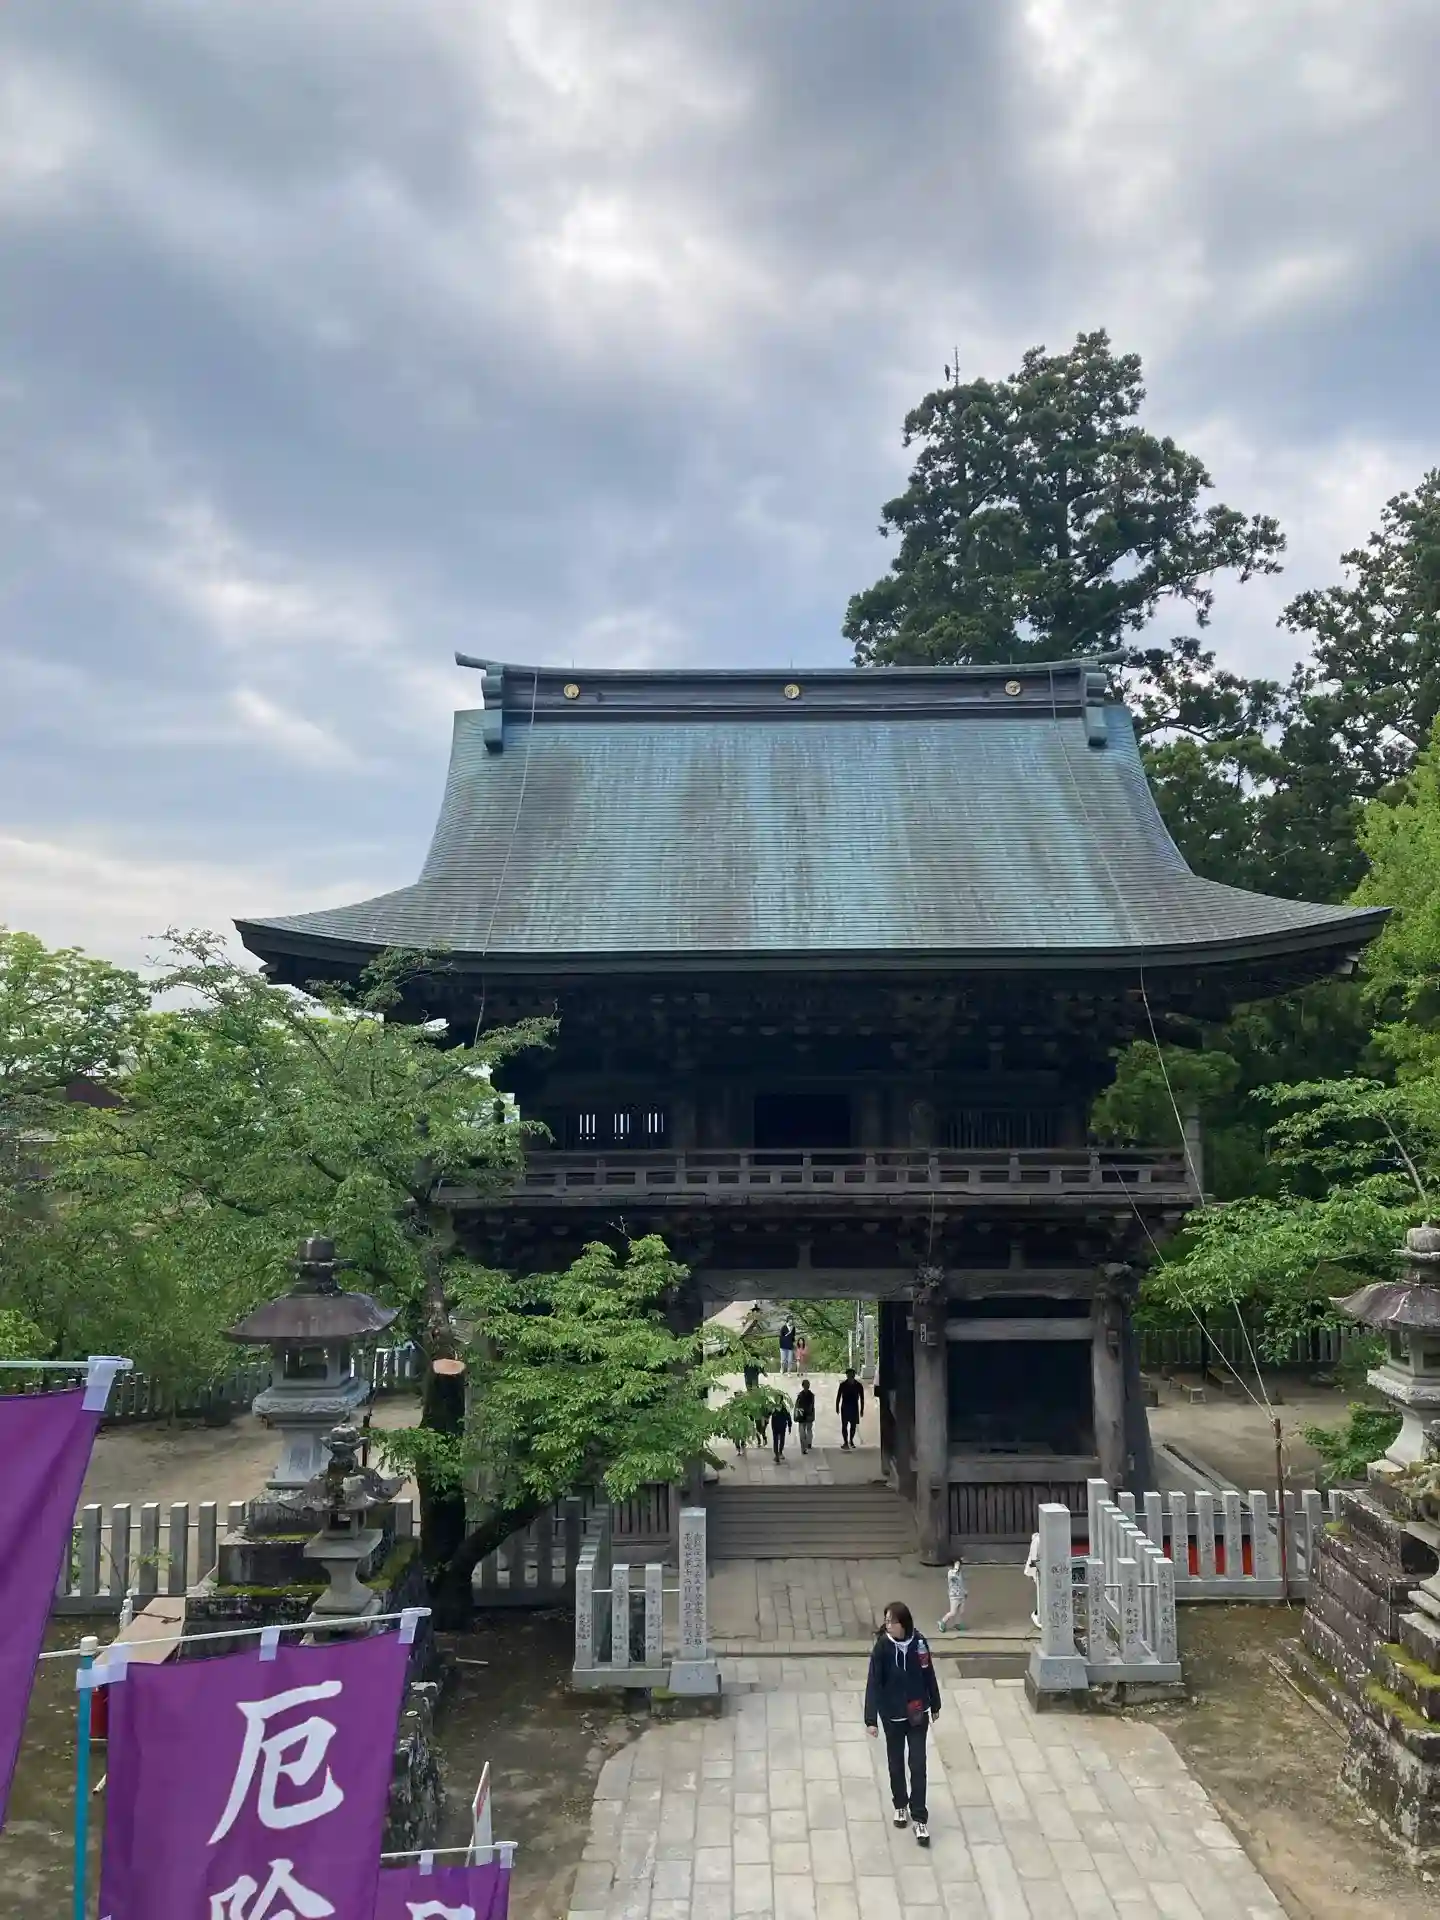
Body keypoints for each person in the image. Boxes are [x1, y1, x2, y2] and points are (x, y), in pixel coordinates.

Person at [864, 1601, 941, 1846]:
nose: (888, 1625)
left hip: (917, 1715)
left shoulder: (919, 1643)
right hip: (893, 1717)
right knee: (896, 1764)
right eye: (886, 1621)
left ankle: (919, 1817)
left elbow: (928, 1673)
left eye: (892, 1621)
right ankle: (900, 1804)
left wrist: (935, 1703)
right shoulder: (882, 1648)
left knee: (918, 1764)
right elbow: (873, 1683)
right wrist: (871, 1719)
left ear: (903, 1623)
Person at [836, 1368, 865, 1449]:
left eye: (851, 1375)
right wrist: (837, 1407)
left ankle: (851, 1440)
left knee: (853, 1426)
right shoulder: (843, 1385)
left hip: (854, 1407)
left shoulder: (858, 1385)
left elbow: (862, 1398)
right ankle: (845, 1442)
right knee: (844, 1425)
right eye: (848, 1375)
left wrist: (862, 1409)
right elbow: (838, 1396)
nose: (850, 1376)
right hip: (845, 1406)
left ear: (854, 1375)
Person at [938, 1556, 967, 1633]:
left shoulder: (959, 1573)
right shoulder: (951, 1573)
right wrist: (956, 1567)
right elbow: (954, 1576)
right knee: (953, 1612)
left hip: (961, 1595)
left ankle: (957, 1624)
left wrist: (964, 1591)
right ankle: (942, 1622)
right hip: (954, 1596)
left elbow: (961, 1583)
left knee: (961, 1611)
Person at [794, 1378, 816, 1453]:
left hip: (806, 1415)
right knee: (804, 1432)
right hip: (804, 1415)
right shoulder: (805, 1395)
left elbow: (798, 1406)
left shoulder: (803, 1395)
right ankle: (806, 1445)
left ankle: (807, 1444)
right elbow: (797, 1406)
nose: (807, 1386)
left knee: (806, 1431)